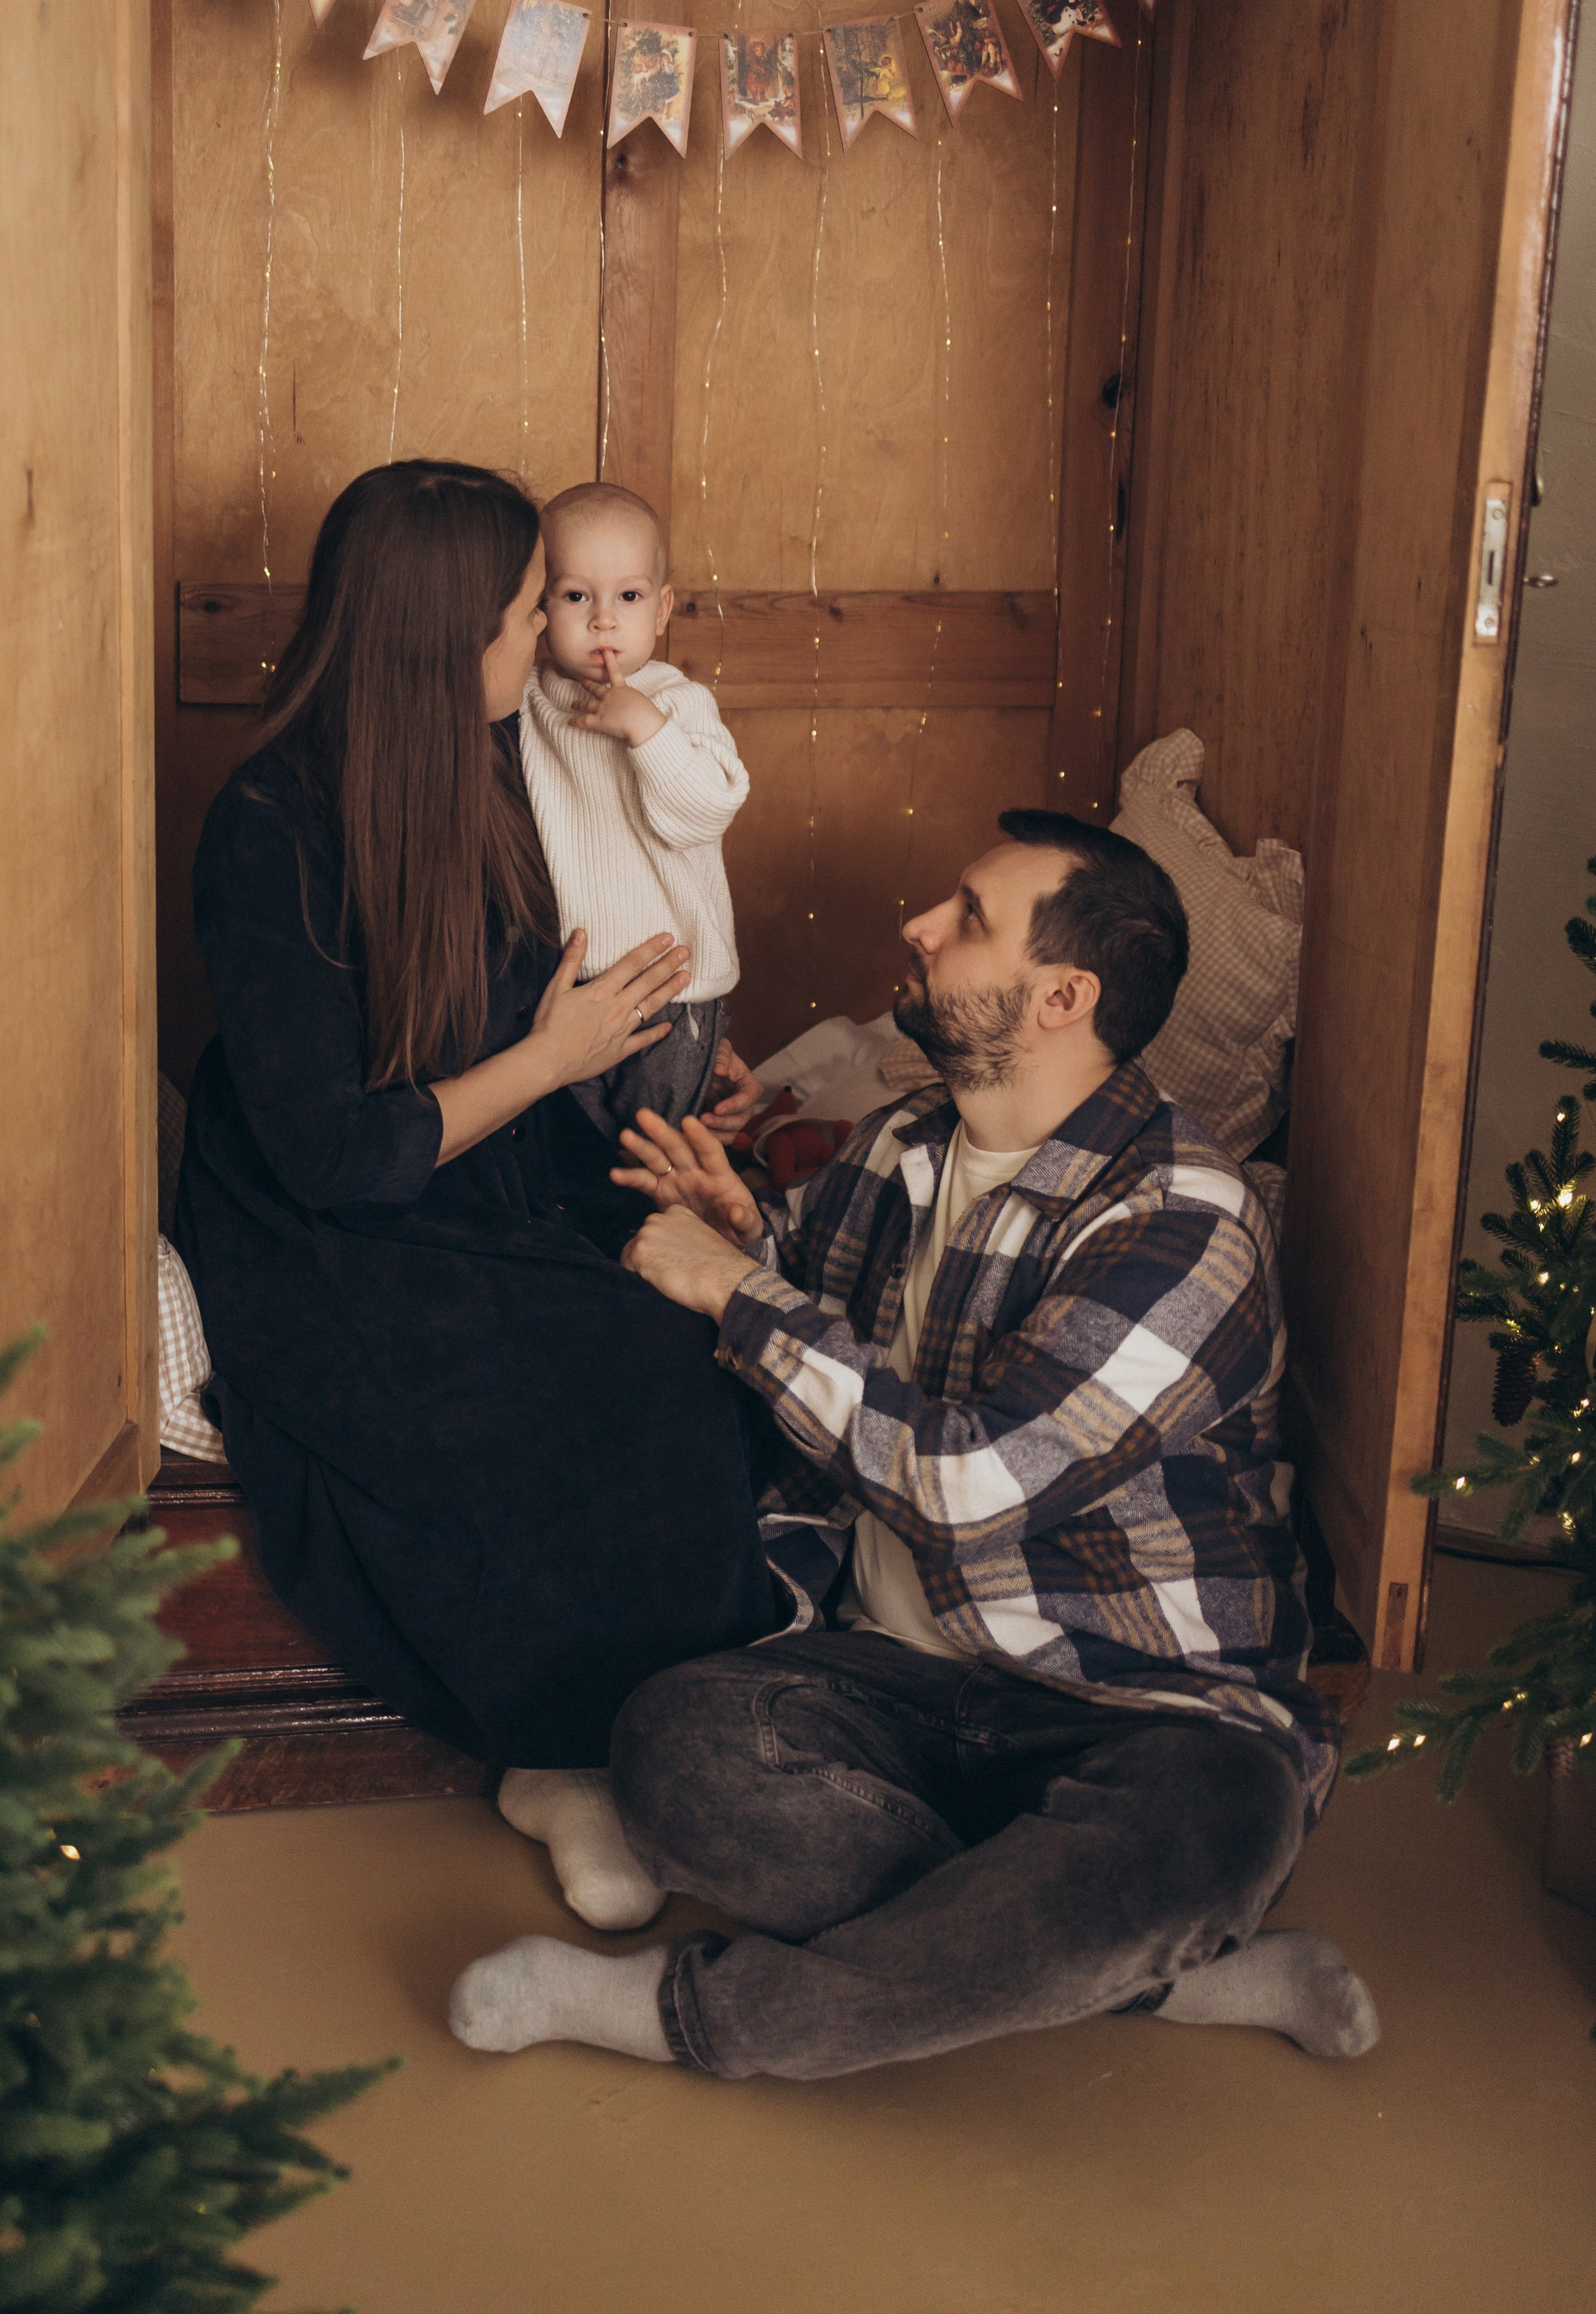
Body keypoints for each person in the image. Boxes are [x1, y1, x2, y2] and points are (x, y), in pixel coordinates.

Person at [450, 812, 1380, 2079]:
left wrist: (737, 1292)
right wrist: (753, 1238)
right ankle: (1150, 1974)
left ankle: (684, 2016)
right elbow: (827, 1328)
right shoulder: (909, 1147)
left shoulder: (1185, 1225)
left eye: (967, 917)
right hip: (897, 1684)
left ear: (1062, 996)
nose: (920, 928)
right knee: (675, 1744)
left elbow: (964, 1482)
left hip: (1148, 1713)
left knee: (1202, 1832)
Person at [174, 460, 777, 1924]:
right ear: (442, 637)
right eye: (526, 613)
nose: (556, 639)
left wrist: (661, 1054)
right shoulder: (271, 826)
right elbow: (336, 1154)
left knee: (692, 1326)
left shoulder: (496, 760)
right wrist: (556, 1052)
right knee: (588, 1377)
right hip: (327, 1223)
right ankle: (556, 1750)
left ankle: (683, 1729)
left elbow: (562, 967)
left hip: (495, 1158)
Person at [520, 480, 748, 1143]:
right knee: (581, 1156)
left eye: (628, 596)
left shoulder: (677, 702)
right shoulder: (531, 702)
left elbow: (706, 811)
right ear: (540, 606)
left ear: (663, 607)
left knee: (664, 1151)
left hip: (674, 990)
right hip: (567, 992)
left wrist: (646, 730)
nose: (602, 619)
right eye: (574, 596)